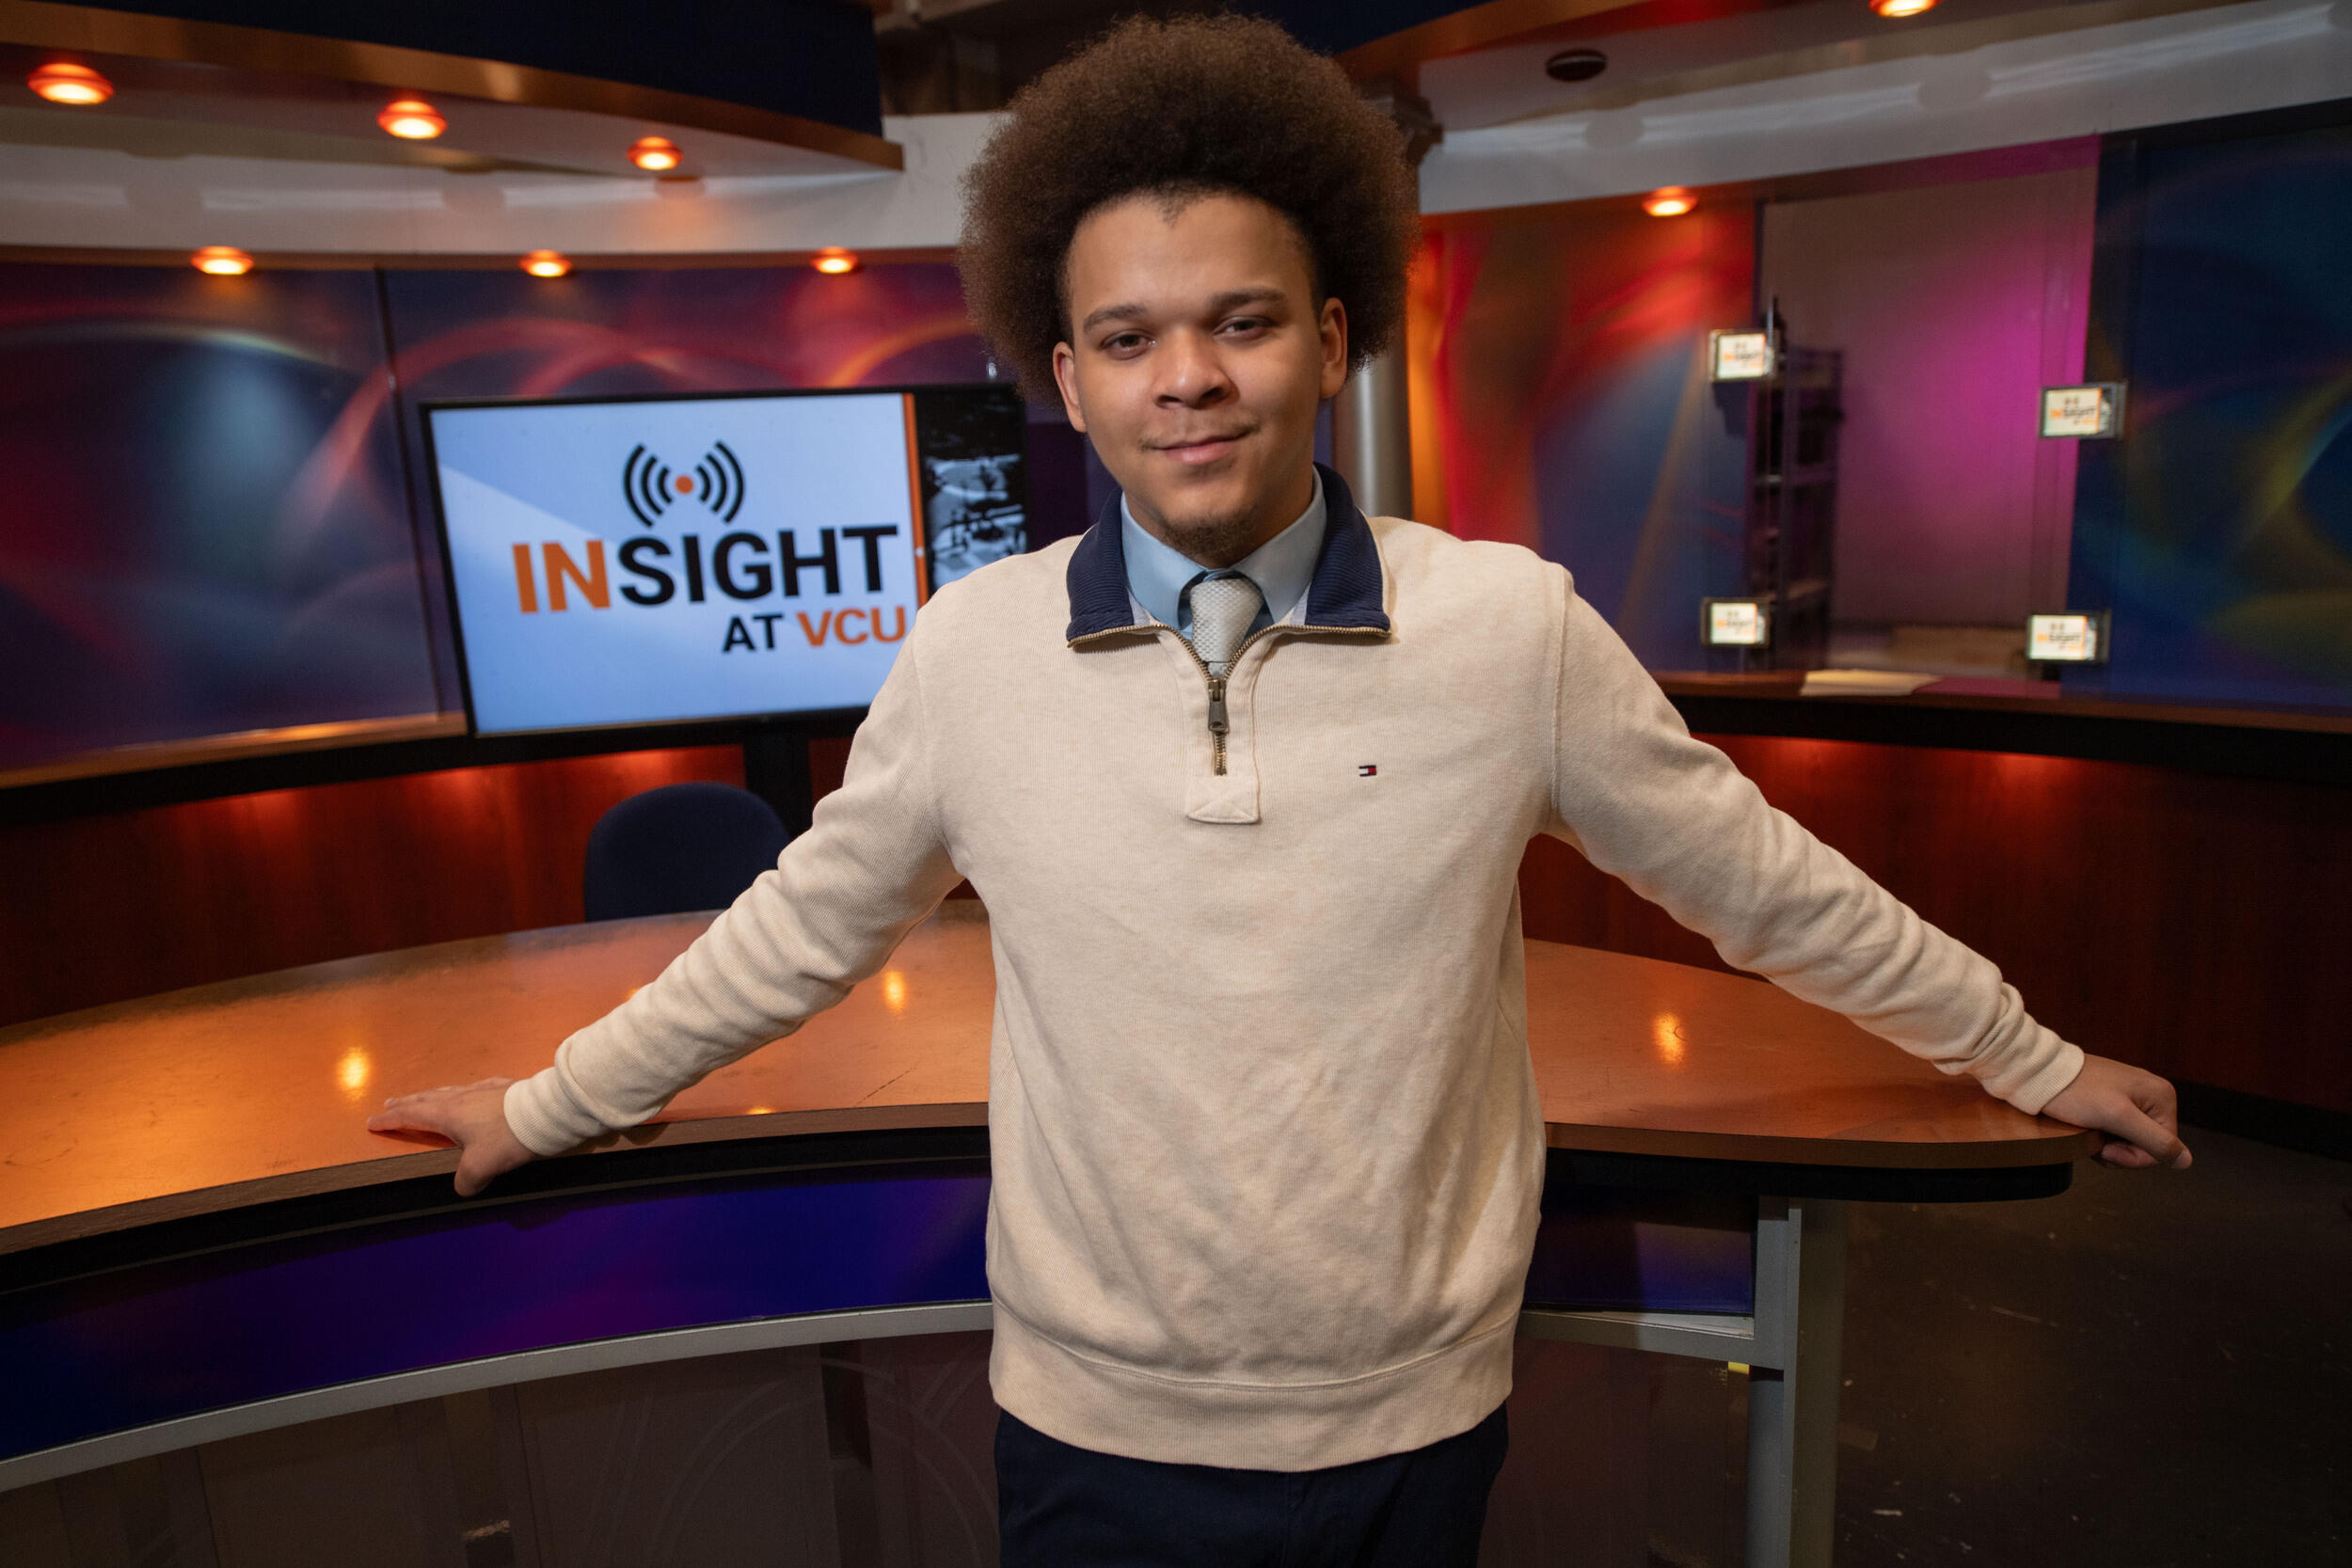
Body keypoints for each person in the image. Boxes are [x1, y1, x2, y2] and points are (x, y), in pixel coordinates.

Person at [368, 15, 2190, 1564]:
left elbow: (1767, 885)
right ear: (1064, 375)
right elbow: (796, 933)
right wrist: (547, 1103)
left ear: (1329, 339)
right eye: (1133, 339)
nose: (1190, 381)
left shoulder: (1505, 627)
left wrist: (2026, 1056)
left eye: (1239, 323)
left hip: (1415, 1409)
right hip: (1093, 1420)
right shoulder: (967, 652)